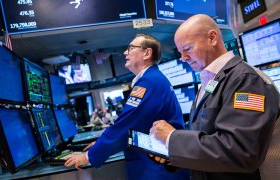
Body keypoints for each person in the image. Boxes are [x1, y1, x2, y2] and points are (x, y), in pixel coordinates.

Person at [150, 14, 280, 180]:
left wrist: (172, 139)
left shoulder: (247, 81)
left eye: (187, 49)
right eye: (180, 52)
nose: (183, 58)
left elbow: (241, 152)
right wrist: (174, 153)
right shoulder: (210, 81)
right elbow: (208, 140)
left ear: (212, 38)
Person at [65, 34, 190, 179]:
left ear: (147, 53)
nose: (125, 52)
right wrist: (100, 143)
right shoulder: (152, 79)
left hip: (158, 169)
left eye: (131, 48)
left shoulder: (149, 82)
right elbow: (134, 125)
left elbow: (126, 125)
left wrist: (89, 156)